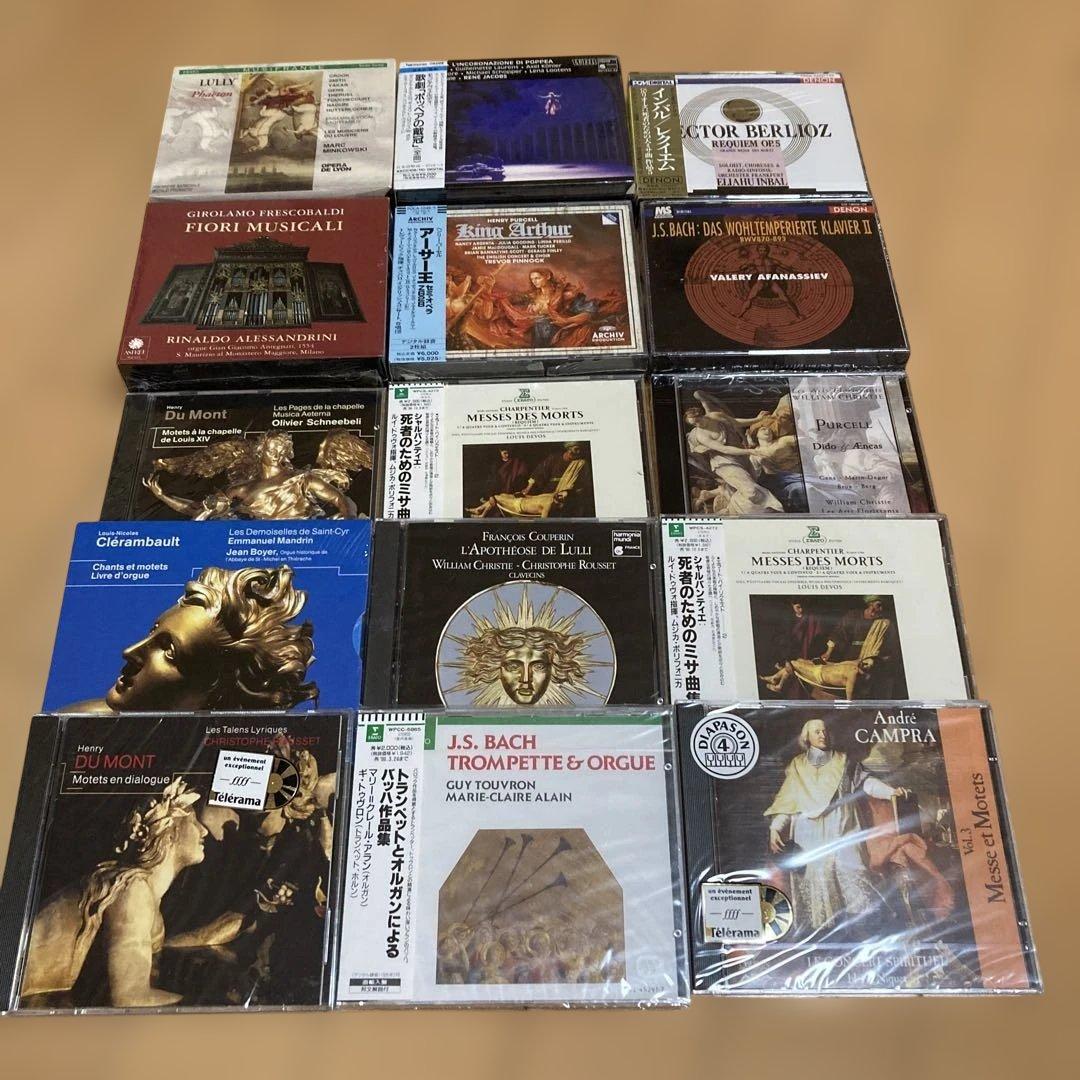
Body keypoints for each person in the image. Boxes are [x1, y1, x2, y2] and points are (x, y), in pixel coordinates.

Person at [21, 779, 216, 1007]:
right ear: (170, 833)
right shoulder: (131, 890)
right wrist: (214, 1007)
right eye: (194, 821)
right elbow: (129, 998)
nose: (204, 830)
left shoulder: (147, 902)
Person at [62, 566, 317, 713]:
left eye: (169, 652)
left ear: (217, 695)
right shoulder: (82, 724)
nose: (130, 652)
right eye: (152, 632)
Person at [765, 719, 908, 932]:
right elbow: (787, 800)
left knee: (853, 870)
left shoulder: (843, 760)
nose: (822, 734)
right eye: (817, 732)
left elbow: (866, 783)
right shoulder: (797, 765)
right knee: (816, 877)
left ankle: (868, 929)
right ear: (807, 738)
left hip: (843, 825)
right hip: (809, 831)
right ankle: (826, 932)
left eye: (824, 730)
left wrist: (890, 792)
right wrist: (775, 827)